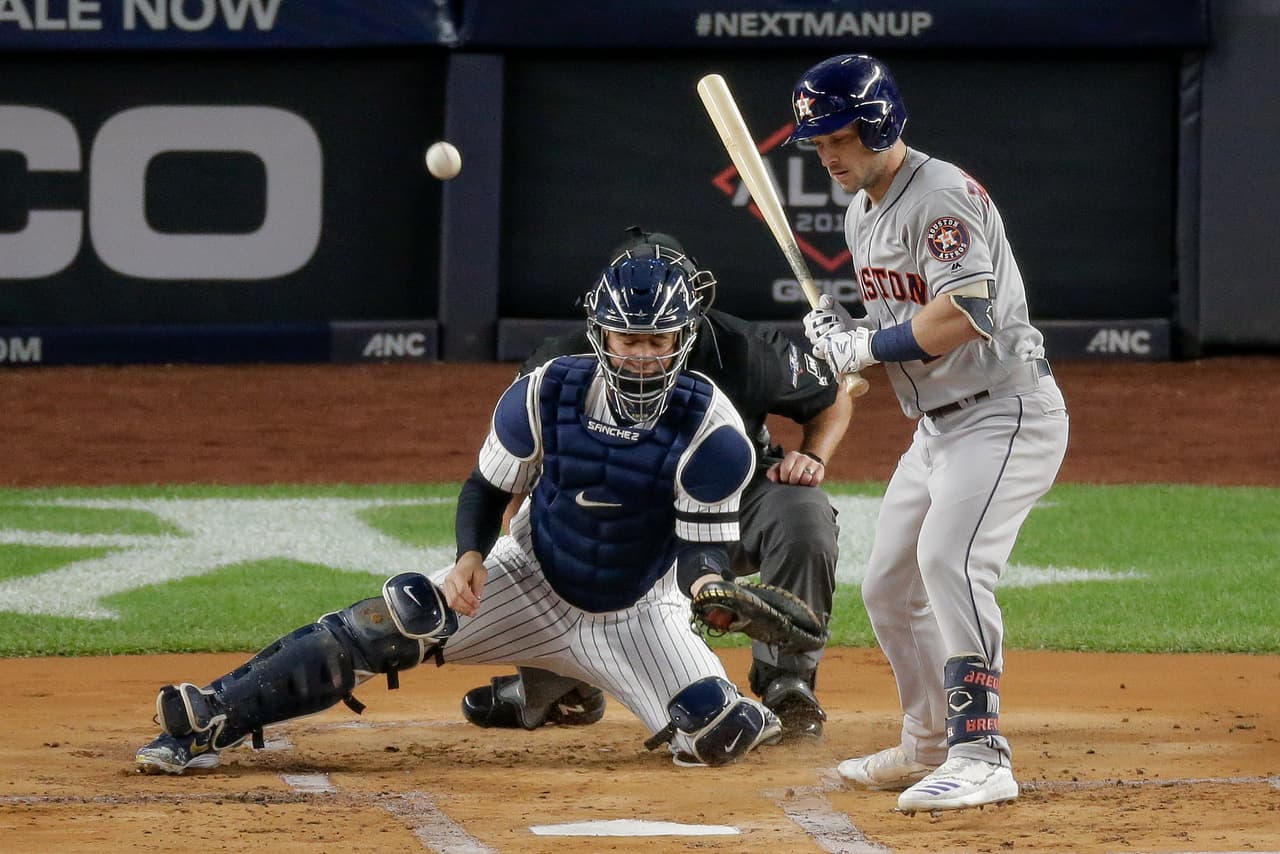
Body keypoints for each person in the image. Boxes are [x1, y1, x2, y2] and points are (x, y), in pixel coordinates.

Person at [133, 241, 786, 774]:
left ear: (682, 338)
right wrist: (469, 557)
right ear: (602, 335)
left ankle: (588, 696)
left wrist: (710, 587)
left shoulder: (713, 430)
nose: (643, 356)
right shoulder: (545, 393)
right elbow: (486, 487)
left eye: (659, 341)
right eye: (628, 340)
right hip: (527, 582)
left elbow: (703, 547)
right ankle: (213, 713)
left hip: (638, 615)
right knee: (397, 619)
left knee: (720, 734)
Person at [790, 54, 1069, 813]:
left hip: (1004, 412)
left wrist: (866, 347)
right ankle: (927, 742)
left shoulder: (940, 197)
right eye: (817, 145)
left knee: (951, 562)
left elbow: (967, 313)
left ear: (879, 124)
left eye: (837, 139)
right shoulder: (860, 211)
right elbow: (898, 324)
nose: (827, 157)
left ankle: (982, 753)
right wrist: (844, 333)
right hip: (937, 432)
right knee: (887, 584)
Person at [458, 227, 852, 739]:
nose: (642, 345)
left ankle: (788, 683)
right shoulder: (562, 364)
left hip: (728, 500)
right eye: (628, 333)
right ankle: (560, 683)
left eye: (659, 332)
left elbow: (833, 397)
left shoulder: (743, 348)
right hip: (620, 514)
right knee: (561, 537)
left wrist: (812, 455)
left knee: (805, 513)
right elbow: (511, 476)